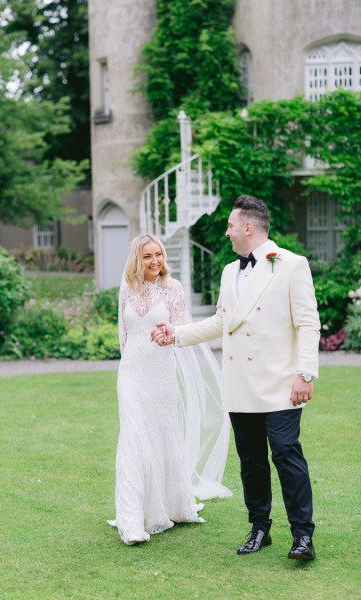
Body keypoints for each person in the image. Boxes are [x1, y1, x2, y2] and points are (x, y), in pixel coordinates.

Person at [151, 196, 320, 561]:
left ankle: (302, 536)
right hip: (240, 382)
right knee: (251, 461)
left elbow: (308, 323)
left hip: (281, 383)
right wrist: (176, 334)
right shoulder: (230, 271)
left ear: (248, 227)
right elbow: (221, 322)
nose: (226, 232)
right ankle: (260, 527)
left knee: (287, 454)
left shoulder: (291, 265)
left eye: (230, 225)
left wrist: (304, 374)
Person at [108, 233, 231, 546]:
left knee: (163, 437)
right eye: (147, 256)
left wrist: (169, 337)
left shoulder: (173, 289)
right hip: (132, 374)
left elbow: (179, 331)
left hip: (161, 374)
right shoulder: (126, 289)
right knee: (134, 441)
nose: (155, 261)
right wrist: (127, 370)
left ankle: (171, 506)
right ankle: (133, 520)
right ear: (137, 259)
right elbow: (123, 335)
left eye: (158, 255)